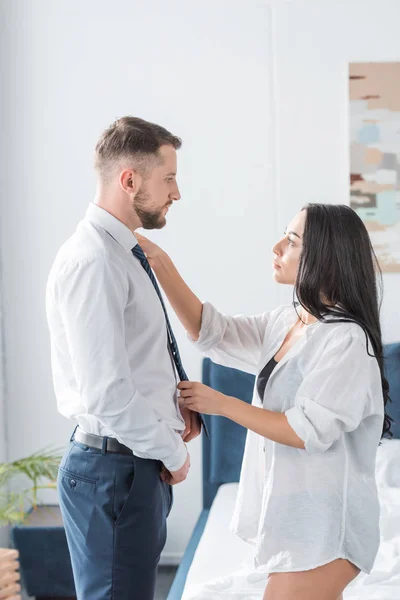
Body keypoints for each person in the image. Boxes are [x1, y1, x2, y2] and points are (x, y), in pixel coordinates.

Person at [136, 203, 392, 600]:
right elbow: (212, 332)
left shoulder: (346, 341)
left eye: (291, 240)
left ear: (323, 256)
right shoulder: (288, 322)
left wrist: (221, 404)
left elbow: (305, 431)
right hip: (297, 523)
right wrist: (161, 263)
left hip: (327, 528)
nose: (276, 247)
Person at [45, 116, 206, 600]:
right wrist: (174, 453)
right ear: (129, 180)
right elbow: (107, 392)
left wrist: (176, 405)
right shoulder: (94, 260)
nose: (177, 193)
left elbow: (136, 358)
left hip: (130, 468)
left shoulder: (123, 253)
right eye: (169, 178)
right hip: (116, 472)